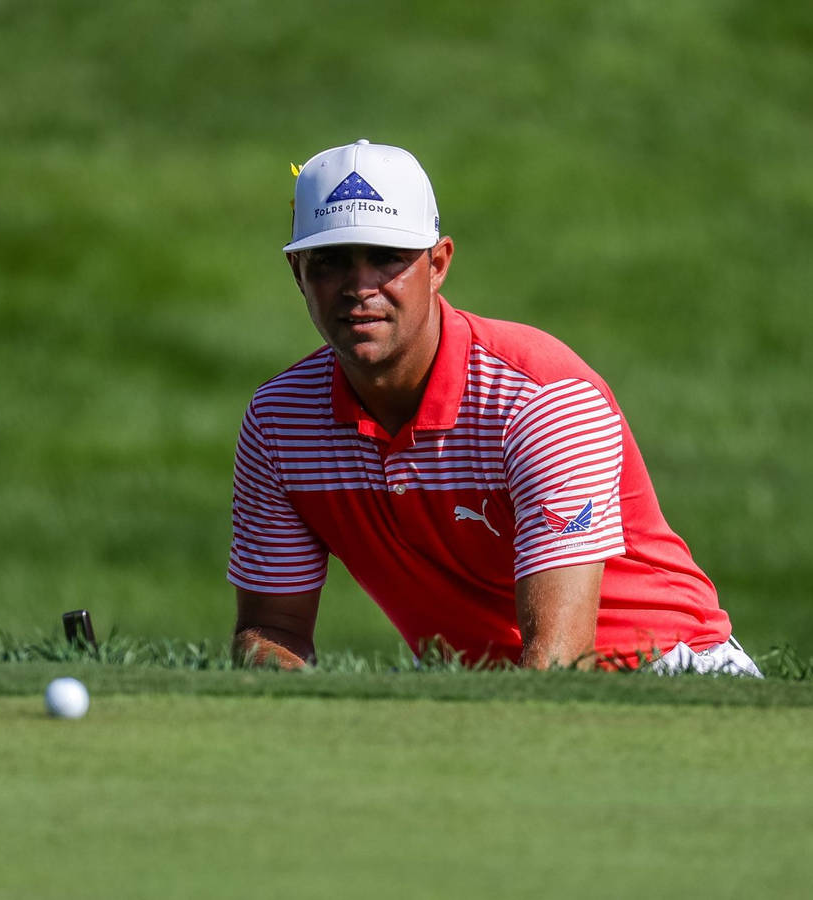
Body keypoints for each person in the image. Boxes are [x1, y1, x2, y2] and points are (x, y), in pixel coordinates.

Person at [228, 138, 761, 677]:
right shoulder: (278, 421)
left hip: (667, 673)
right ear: (298, 273)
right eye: (331, 262)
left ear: (437, 264)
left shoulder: (541, 397)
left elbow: (560, 663)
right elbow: (273, 628)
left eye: (386, 258)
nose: (359, 287)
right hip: (481, 693)